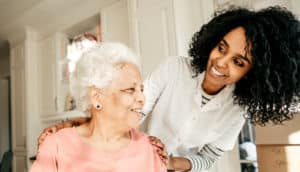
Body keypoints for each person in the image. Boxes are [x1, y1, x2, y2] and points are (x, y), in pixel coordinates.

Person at [38, 6, 300, 172]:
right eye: (221, 47)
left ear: (252, 73)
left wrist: (174, 163)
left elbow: (208, 158)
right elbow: (134, 111)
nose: (220, 62)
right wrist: (80, 127)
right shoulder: (175, 69)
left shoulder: (237, 109)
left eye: (238, 61)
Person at [31, 43, 166, 172]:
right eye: (131, 89)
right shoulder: (56, 146)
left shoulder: (150, 150)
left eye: (141, 89)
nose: (142, 99)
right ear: (96, 97)